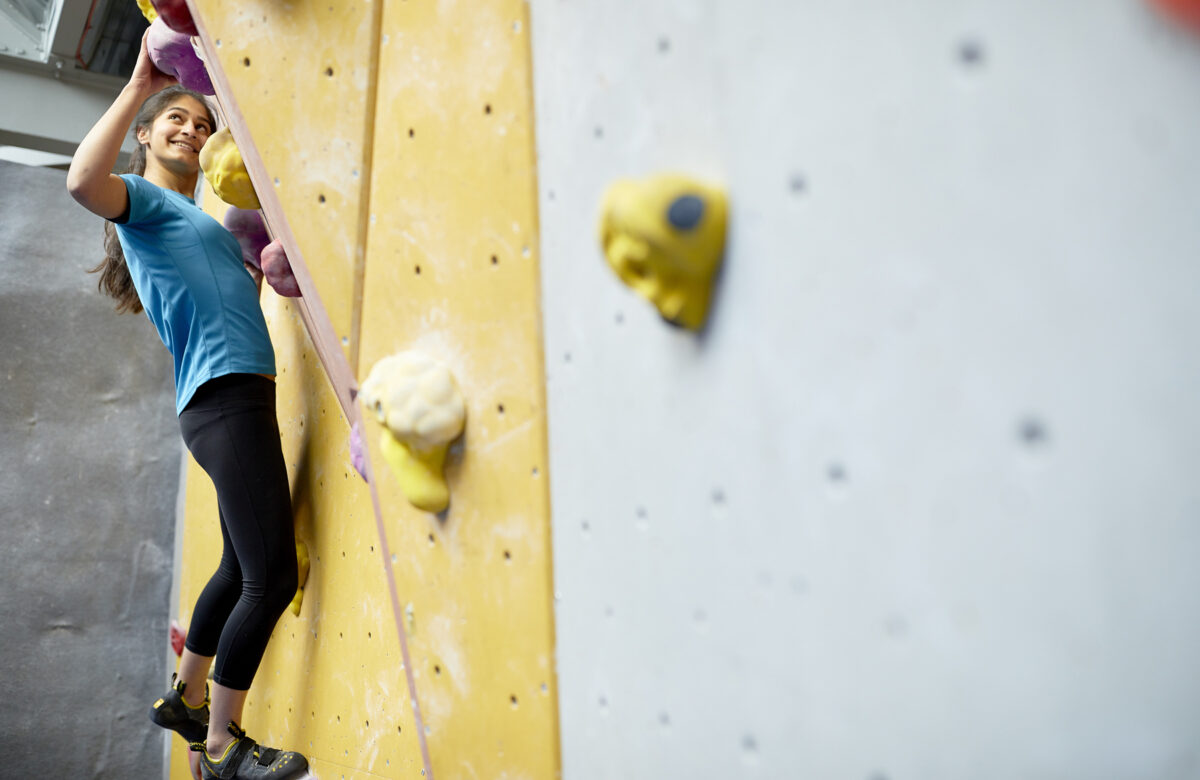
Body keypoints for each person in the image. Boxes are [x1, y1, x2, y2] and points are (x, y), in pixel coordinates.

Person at [66, 30, 308, 780]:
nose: (192, 131)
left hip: (229, 399)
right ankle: (223, 746)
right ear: (145, 134)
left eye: (202, 125)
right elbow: (80, 182)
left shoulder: (192, 218)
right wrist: (140, 82)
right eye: (177, 120)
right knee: (272, 576)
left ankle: (187, 698)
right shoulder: (139, 202)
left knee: (241, 566)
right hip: (224, 398)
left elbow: (234, 288)